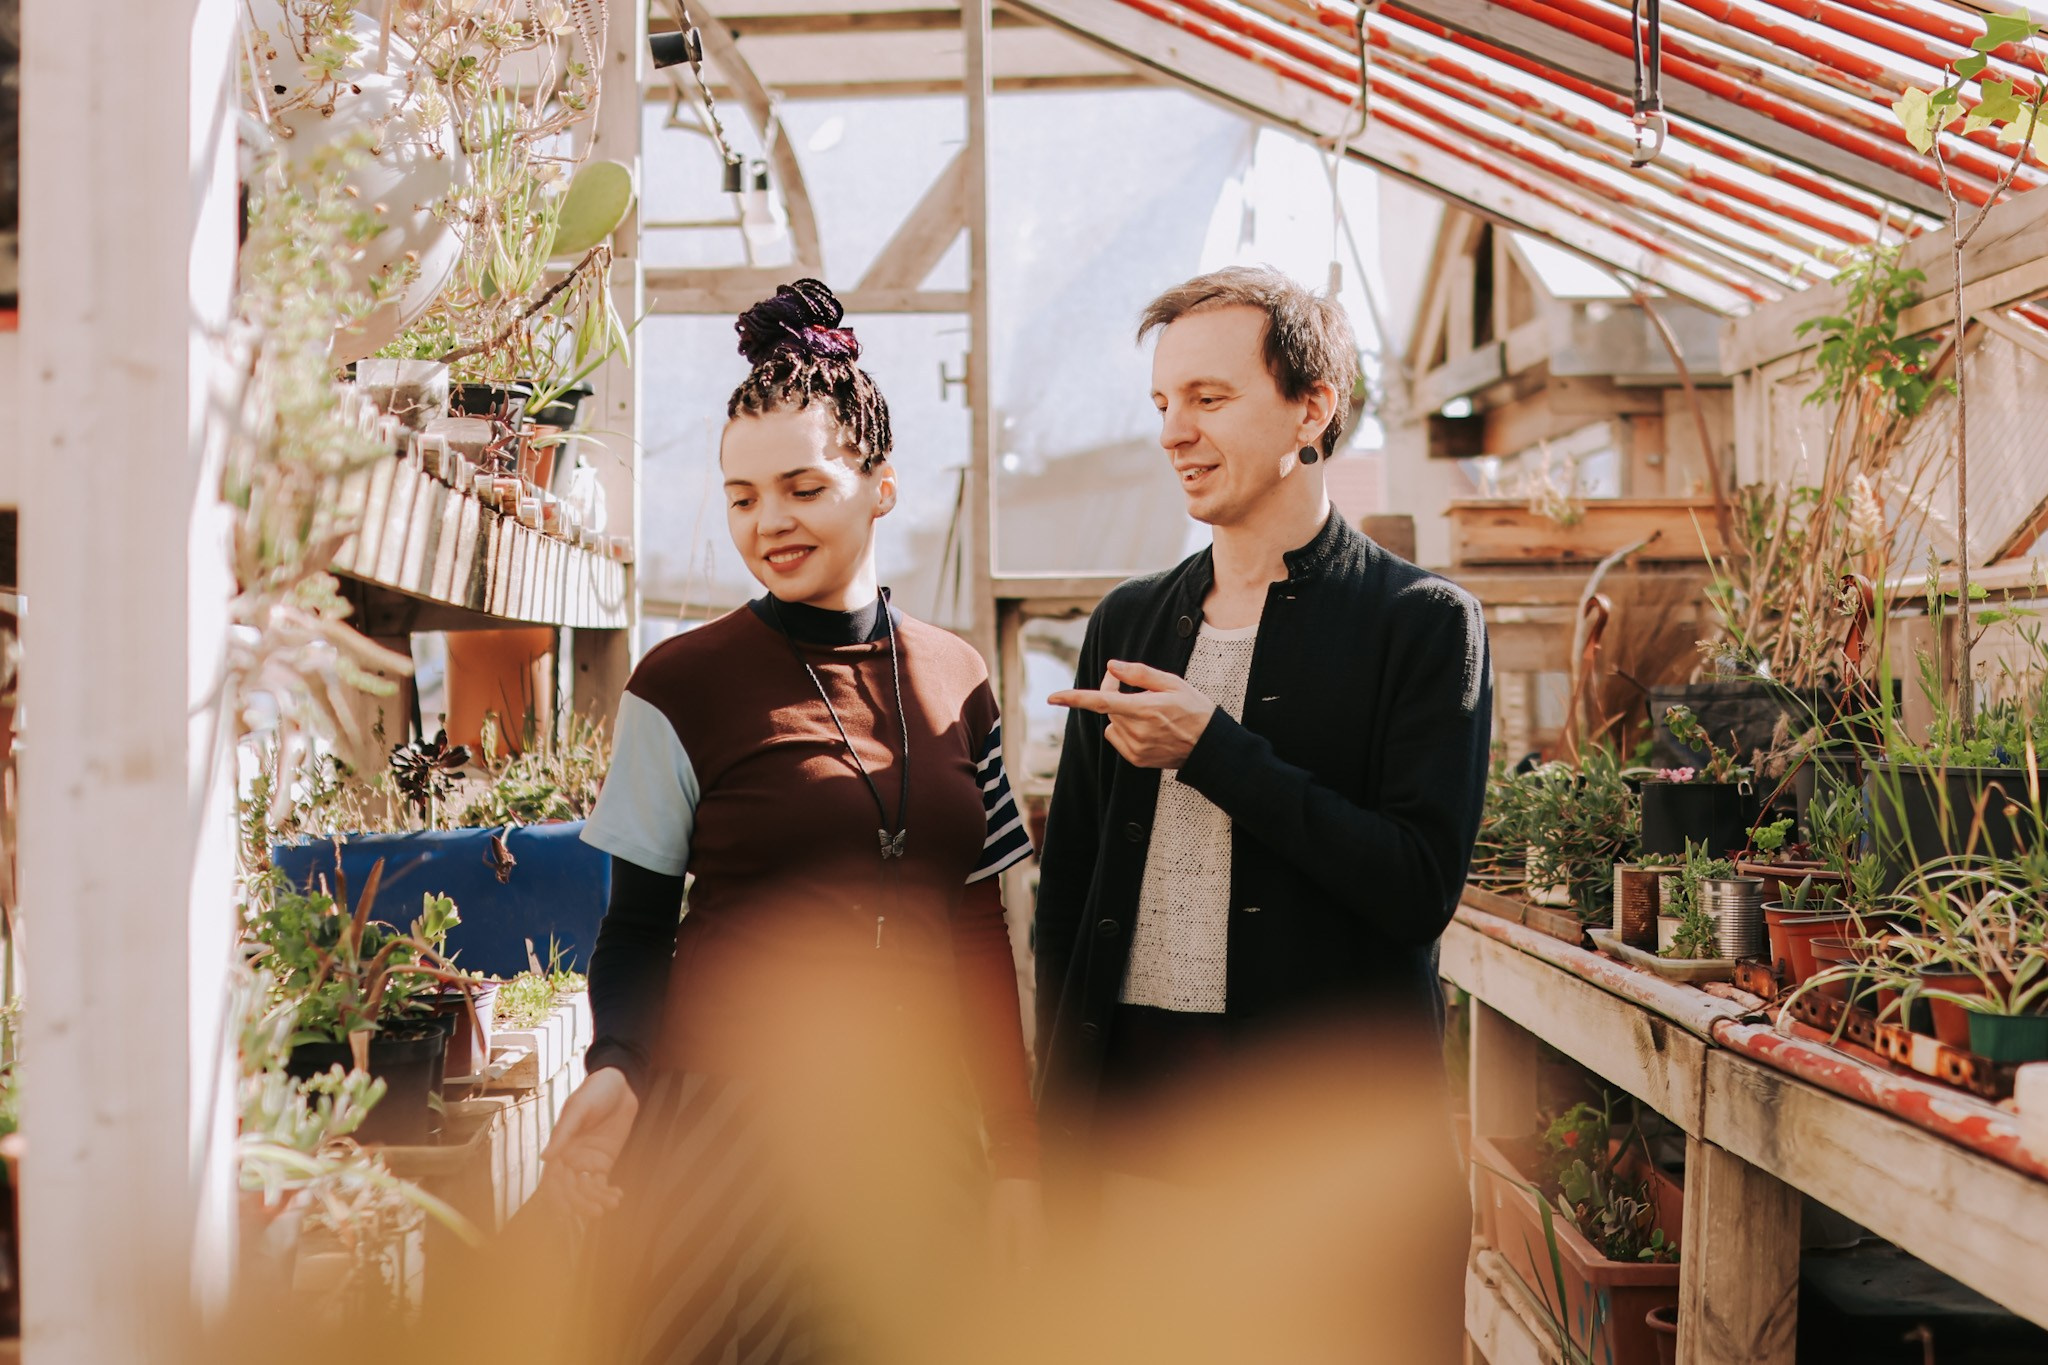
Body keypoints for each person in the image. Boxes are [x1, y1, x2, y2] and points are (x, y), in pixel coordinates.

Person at [541, 279, 1041, 1364]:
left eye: (803, 487)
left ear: (881, 487)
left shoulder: (959, 680)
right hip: (729, 1137)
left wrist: (1013, 1156)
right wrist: (616, 1064)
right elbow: (637, 926)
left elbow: (975, 931)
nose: (769, 522)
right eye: (741, 497)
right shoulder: (680, 684)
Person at [1034, 266, 1493, 1181]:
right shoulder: (1127, 622)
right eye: (1163, 402)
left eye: (1209, 398)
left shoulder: (1424, 622)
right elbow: (1070, 894)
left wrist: (1213, 750)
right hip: (1127, 1125)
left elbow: (1416, 889)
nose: (1174, 431)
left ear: (1311, 409)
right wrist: (1040, 1139)